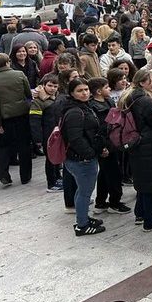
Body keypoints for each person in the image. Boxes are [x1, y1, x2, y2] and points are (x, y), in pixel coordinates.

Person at [121, 68, 152, 231]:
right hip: (147, 146)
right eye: (151, 80)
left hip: (135, 144)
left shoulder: (129, 96)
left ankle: (140, 214)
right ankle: (151, 221)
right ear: (142, 82)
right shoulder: (145, 100)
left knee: (143, 183)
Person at [61, 78, 106, 236]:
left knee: (82, 190)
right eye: (80, 91)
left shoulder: (81, 107)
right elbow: (75, 139)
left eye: (86, 89)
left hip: (81, 158)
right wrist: (90, 154)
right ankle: (82, 225)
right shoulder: (75, 111)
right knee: (85, 192)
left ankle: (83, 217)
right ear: (72, 93)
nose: (84, 93)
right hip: (81, 159)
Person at [0, 52, 33, 187]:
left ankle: (4, 174)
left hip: (4, 117)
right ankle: (25, 176)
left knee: (4, 146)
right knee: (24, 145)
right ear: (8, 62)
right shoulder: (19, 75)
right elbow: (28, 94)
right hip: (22, 114)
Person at [88, 77, 130, 215]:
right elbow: (97, 129)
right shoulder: (93, 106)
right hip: (105, 144)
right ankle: (114, 202)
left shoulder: (109, 101)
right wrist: (102, 147)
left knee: (105, 173)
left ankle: (100, 202)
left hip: (114, 141)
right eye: (106, 87)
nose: (109, 89)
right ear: (99, 91)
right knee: (113, 174)